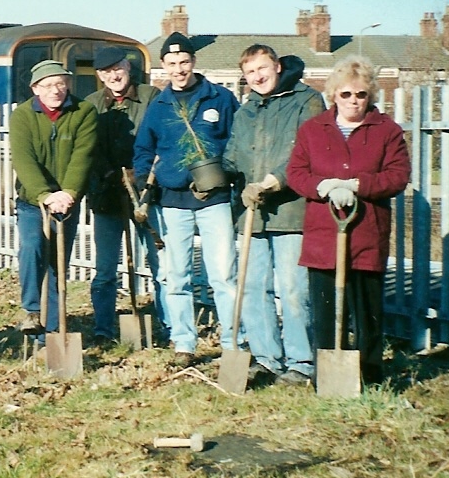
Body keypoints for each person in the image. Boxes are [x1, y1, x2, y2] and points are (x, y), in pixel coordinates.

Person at [286, 56, 410, 385]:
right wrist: (322, 186)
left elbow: (398, 176)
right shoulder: (313, 130)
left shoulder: (387, 130)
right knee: (326, 312)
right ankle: (328, 378)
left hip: (367, 232)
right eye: (346, 94)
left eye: (361, 94)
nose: (353, 101)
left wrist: (359, 185)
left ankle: (369, 376)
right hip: (324, 235)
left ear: (370, 96)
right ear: (333, 95)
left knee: (367, 312)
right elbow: (296, 173)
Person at [132, 32, 240, 367]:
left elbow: (237, 142)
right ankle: (183, 342)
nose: (179, 70)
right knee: (175, 275)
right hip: (173, 203)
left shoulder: (219, 98)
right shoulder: (159, 106)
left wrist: (228, 173)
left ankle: (233, 342)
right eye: (172, 64)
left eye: (184, 62)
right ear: (163, 66)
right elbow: (143, 149)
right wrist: (147, 179)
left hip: (215, 199)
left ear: (193, 62)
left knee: (223, 274)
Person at [222, 45, 325, 386]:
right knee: (253, 287)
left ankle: (302, 362)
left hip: (291, 210)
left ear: (278, 66)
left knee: (294, 289)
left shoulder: (306, 100)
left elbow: (305, 153)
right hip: (252, 214)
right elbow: (234, 152)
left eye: (263, 69)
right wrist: (214, 172)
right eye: (250, 72)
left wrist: (272, 182)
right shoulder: (246, 108)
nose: (258, 77)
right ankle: (267, 358)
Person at [10, 59, 98, 335]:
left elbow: (82, 156)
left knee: (58, 262)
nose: (55, 90)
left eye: (61, 83)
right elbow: (24, 161)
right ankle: (31, 310)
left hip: (66, 202)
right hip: (32, 200)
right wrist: (44, 194)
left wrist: (69, 193)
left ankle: (53, 330)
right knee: (32, 248)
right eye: (48, 85)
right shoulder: (22, 116)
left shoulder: (84, 111)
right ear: (36, 88)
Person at [84, 45, 164, 344]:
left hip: (145, 192)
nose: (113, 75)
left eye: (118, 68)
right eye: (106, 72)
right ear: (99, 76)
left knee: (159, 265)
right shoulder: (91, 105)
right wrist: (106, 174)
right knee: (105, 268)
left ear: (128, 68)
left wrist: (140, 175)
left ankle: (166, 325)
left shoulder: (150, 97)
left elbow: (157, 138)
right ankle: (103, 328)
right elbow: (87, 148)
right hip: (106, 193)